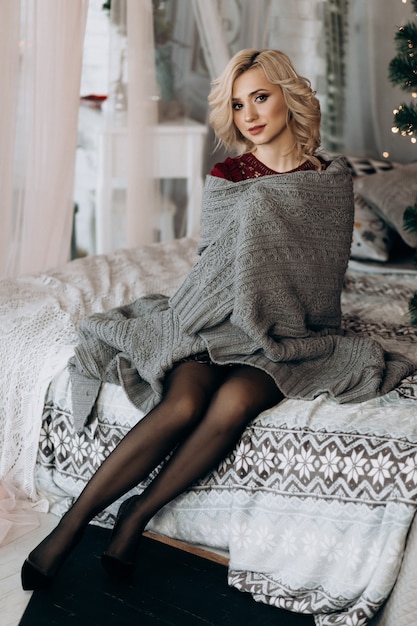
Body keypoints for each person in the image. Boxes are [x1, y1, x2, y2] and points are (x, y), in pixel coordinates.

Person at [21, 49, 413, 591]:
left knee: (233, 404)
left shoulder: (330, 178)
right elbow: (213, 260)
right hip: (213, 319)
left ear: (286, 97)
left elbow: (323, 269)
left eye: (259, 97)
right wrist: (213, 308)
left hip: (289, 330)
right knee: (182, 404)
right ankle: (70, 525)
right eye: (237, 103)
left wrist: (281, 315)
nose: (249, 114)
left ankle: (138, 514)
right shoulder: (229, 174)